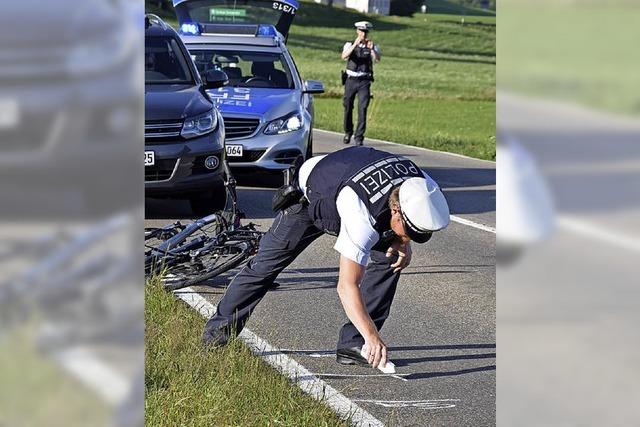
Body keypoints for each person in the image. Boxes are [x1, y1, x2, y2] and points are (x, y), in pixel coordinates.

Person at [203, 146, 450, 369]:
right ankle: (216, 337)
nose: (411, 237)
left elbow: (409, 222)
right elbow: (346, 286)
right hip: (314, 195)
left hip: (354, 186)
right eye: (409, 232)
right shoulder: (360, 216)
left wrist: (402, 241)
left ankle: (355, 345)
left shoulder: (421, 185)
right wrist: (374, 334)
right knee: (264, 266)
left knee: (390, 259)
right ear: (396, 211)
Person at [341, 21, 381, 146]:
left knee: (362, 108)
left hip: (364, 81)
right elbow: (344, 56)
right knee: (348, 106)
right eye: (361, 31)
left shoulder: (372, 45)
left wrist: (372, 49)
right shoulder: (349, 44)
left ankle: (359, 137)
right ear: (357, 31)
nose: (363, 34)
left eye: (365, 32)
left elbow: (378, 59)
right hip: (351, 80)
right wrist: (355, 45)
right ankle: (348, 132)